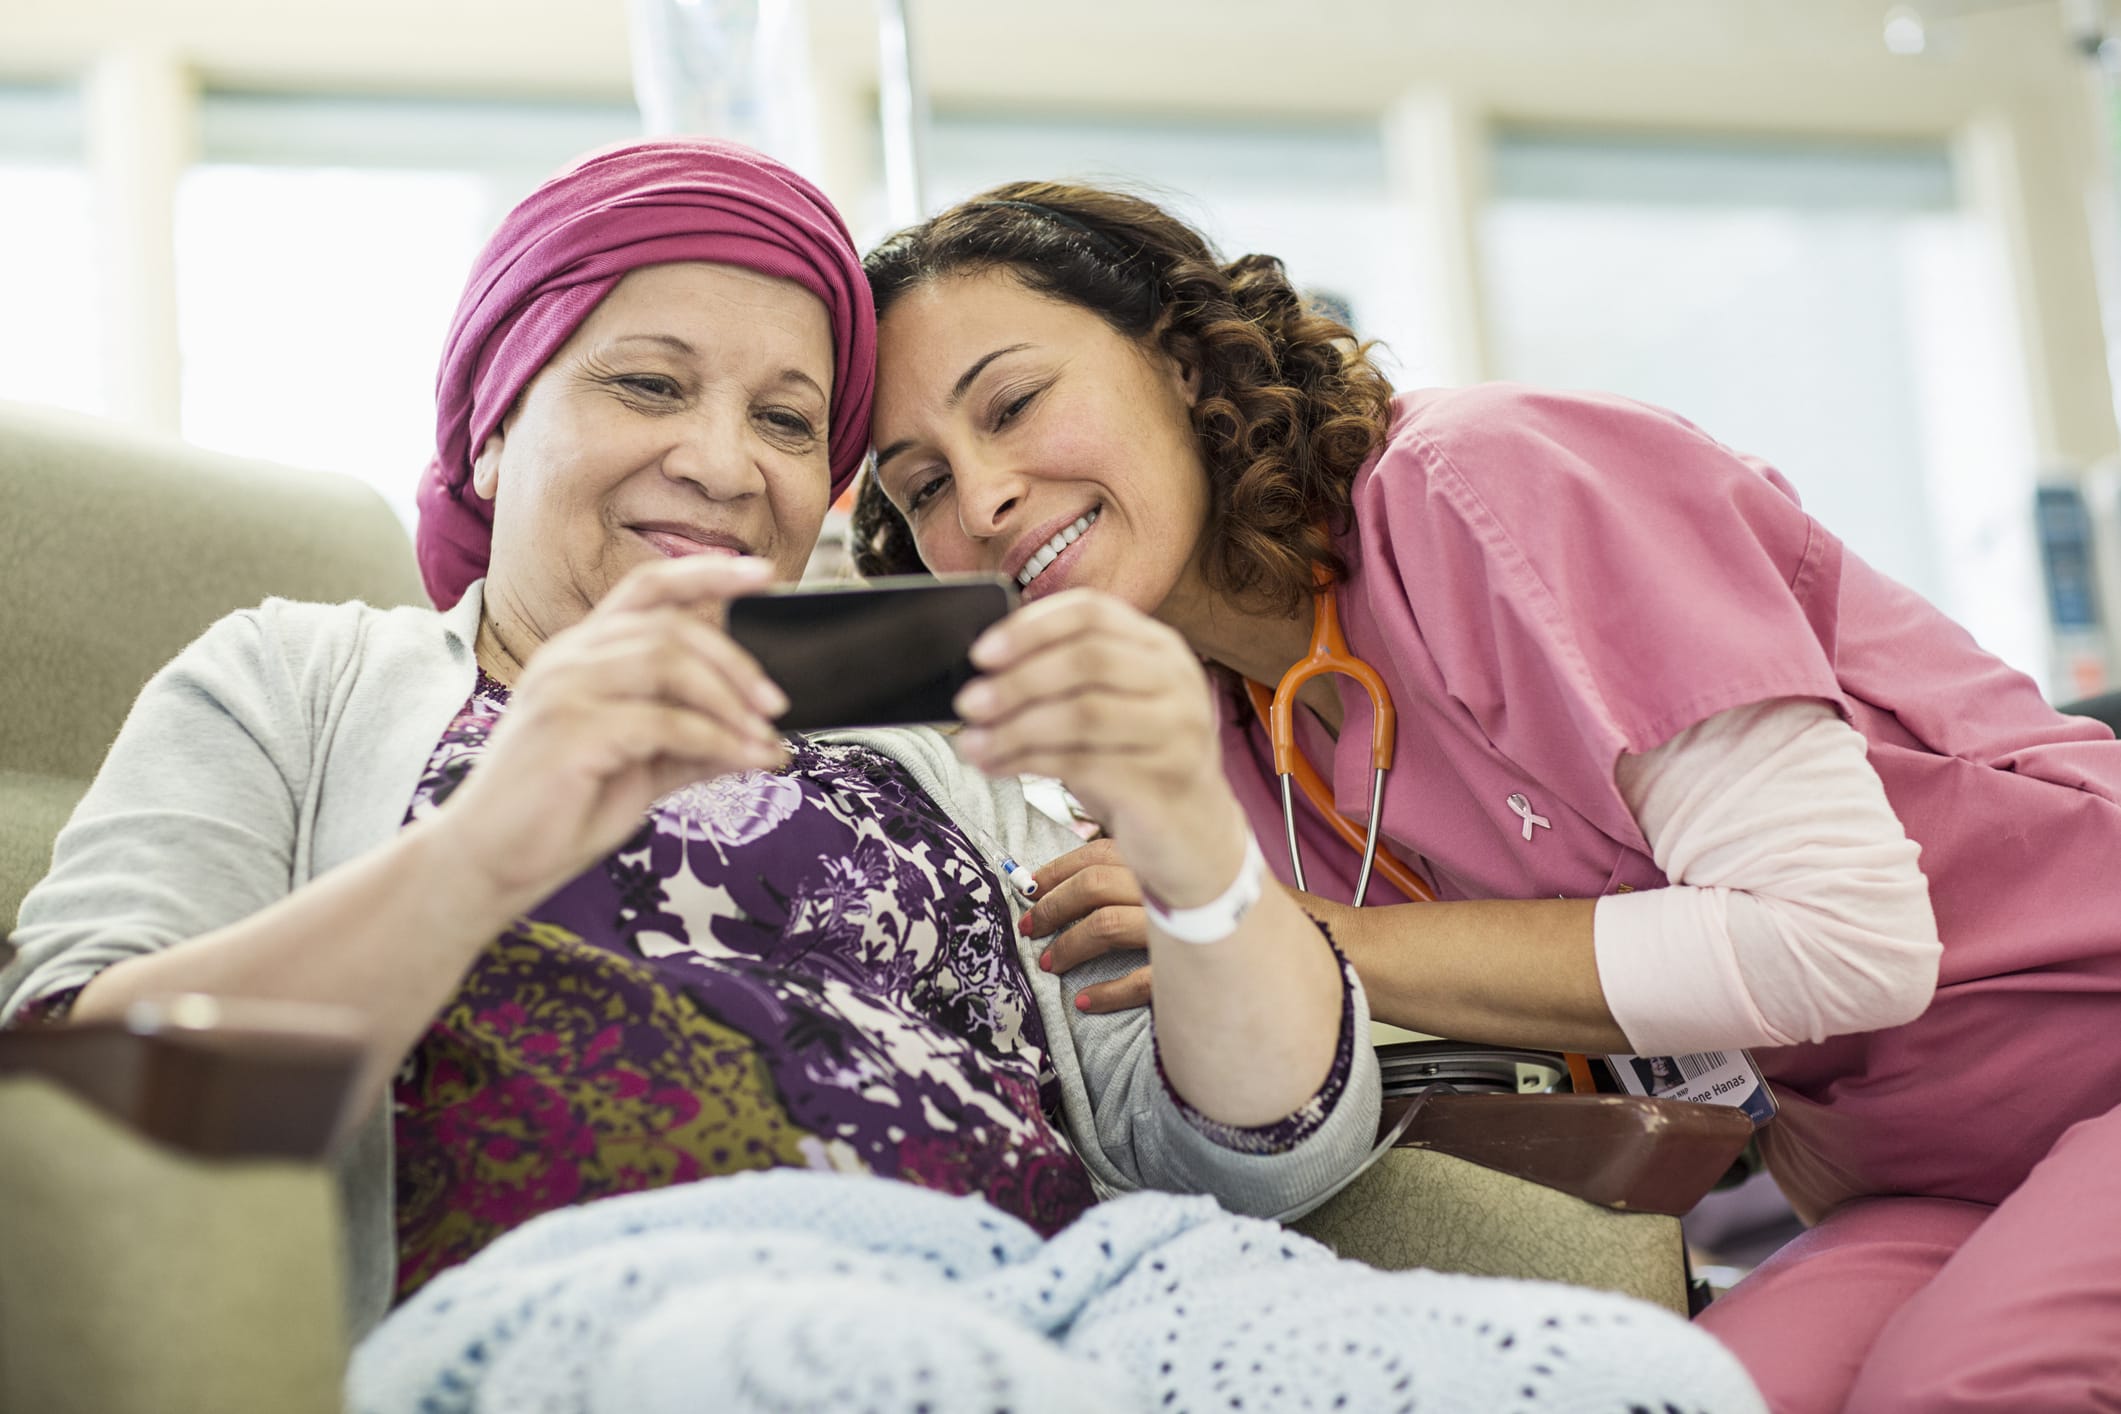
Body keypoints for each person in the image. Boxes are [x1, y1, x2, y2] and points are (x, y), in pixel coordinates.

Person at [0, 145, 1762, 1414]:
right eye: (646, 381)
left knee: (1632, 1376)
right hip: (628, 1298)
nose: (723, 460)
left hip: (1080, 1277)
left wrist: (1197, 848)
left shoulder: (935, 732)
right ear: (484, 416)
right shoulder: (299, 672)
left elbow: (1259, 1149)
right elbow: (89, 1108)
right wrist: (493, 838)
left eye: (787, 420)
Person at [852, 180, 2121, 1414]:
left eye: (1013, 403)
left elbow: (1845, 945)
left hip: (2092, 1049)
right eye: (919, 487)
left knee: (1965, 1388)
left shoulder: (1485, 483)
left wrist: (1283, 931)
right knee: (1676, 1396)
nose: (983, 498)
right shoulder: (1202, 752)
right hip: (1912, 1175)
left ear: (1180, 359)